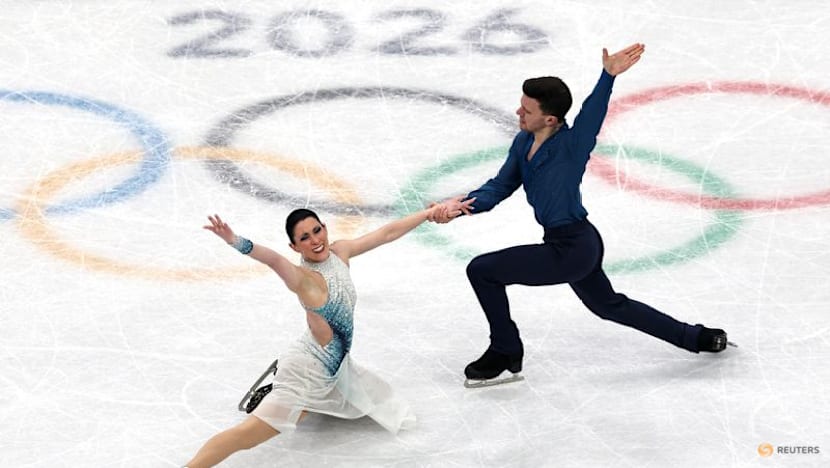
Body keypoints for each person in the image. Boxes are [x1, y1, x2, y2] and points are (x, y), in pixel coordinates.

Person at [430, 43, 730, 387]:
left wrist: (608, 76)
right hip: (570, 242)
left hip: (572, 247)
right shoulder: (521, 143)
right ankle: (697, 337)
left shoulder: (572, 145)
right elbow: (500, 186)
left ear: (550, 119)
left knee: (482, 270)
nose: (518, 112)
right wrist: (462, 206)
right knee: (609, 306)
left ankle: (505, 350)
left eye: (526, 110)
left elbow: (592, 112)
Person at [185, 204, 450, 467]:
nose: (315, 241)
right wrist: (234, 240)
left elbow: (385, 234)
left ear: (324, 228)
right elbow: (274, 259)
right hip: (308, 372)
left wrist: (427, 214)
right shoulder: (303, 279)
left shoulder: (339, 251)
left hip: (333, 369)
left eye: (316, 230)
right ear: (294, 247)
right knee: (249, 435)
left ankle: (283, 393)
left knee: (373, 402)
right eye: (304, 238)